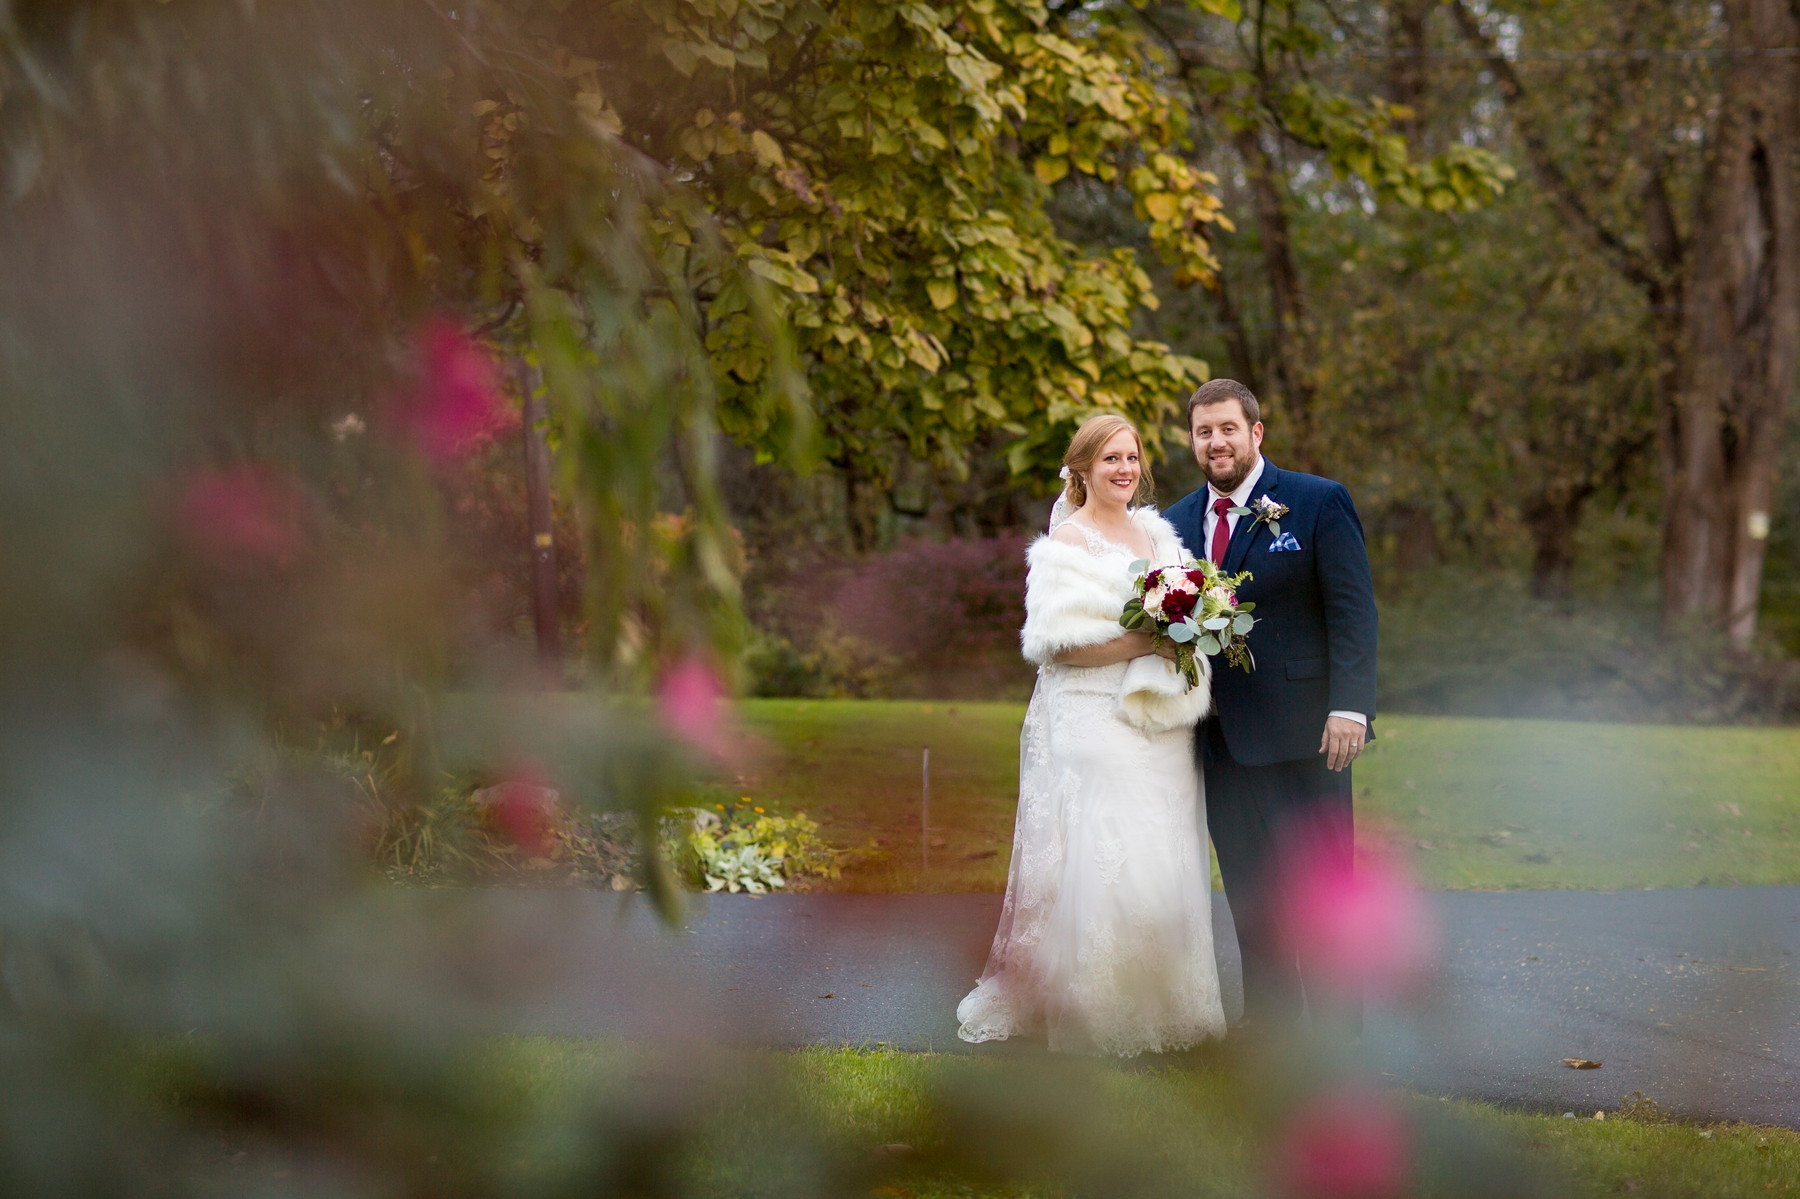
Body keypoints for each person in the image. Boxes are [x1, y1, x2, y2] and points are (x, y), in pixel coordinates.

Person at [957, 413, 1226, 1057]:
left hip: (1159, 720)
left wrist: (1195, 626)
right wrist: (1149, 637)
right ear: (1080, 470)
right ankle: (1098, 1011)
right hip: (1090, 717)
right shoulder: (1067, 543)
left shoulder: (1158, 533)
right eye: (1109, 459)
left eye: (1131, 457)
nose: (1125, 469)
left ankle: (1167, 1005)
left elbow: (1190, 606)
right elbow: (1057, 648)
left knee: (1164, 854)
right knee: (1110, 854)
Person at [1162, 379, 1378, 1028]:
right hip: (1221, 743)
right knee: (1253, 901)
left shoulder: (1316, 502)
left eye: (1227, 428)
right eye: (1204, 431)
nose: (1216, 441)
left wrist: (1352, 707)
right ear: (1193, 442)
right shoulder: (1173, 524)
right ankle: (1274, 1047)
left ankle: (1342, 1045)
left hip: (1309, 736)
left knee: (1321, 896)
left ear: (1256, 433)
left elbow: (1353, 611)